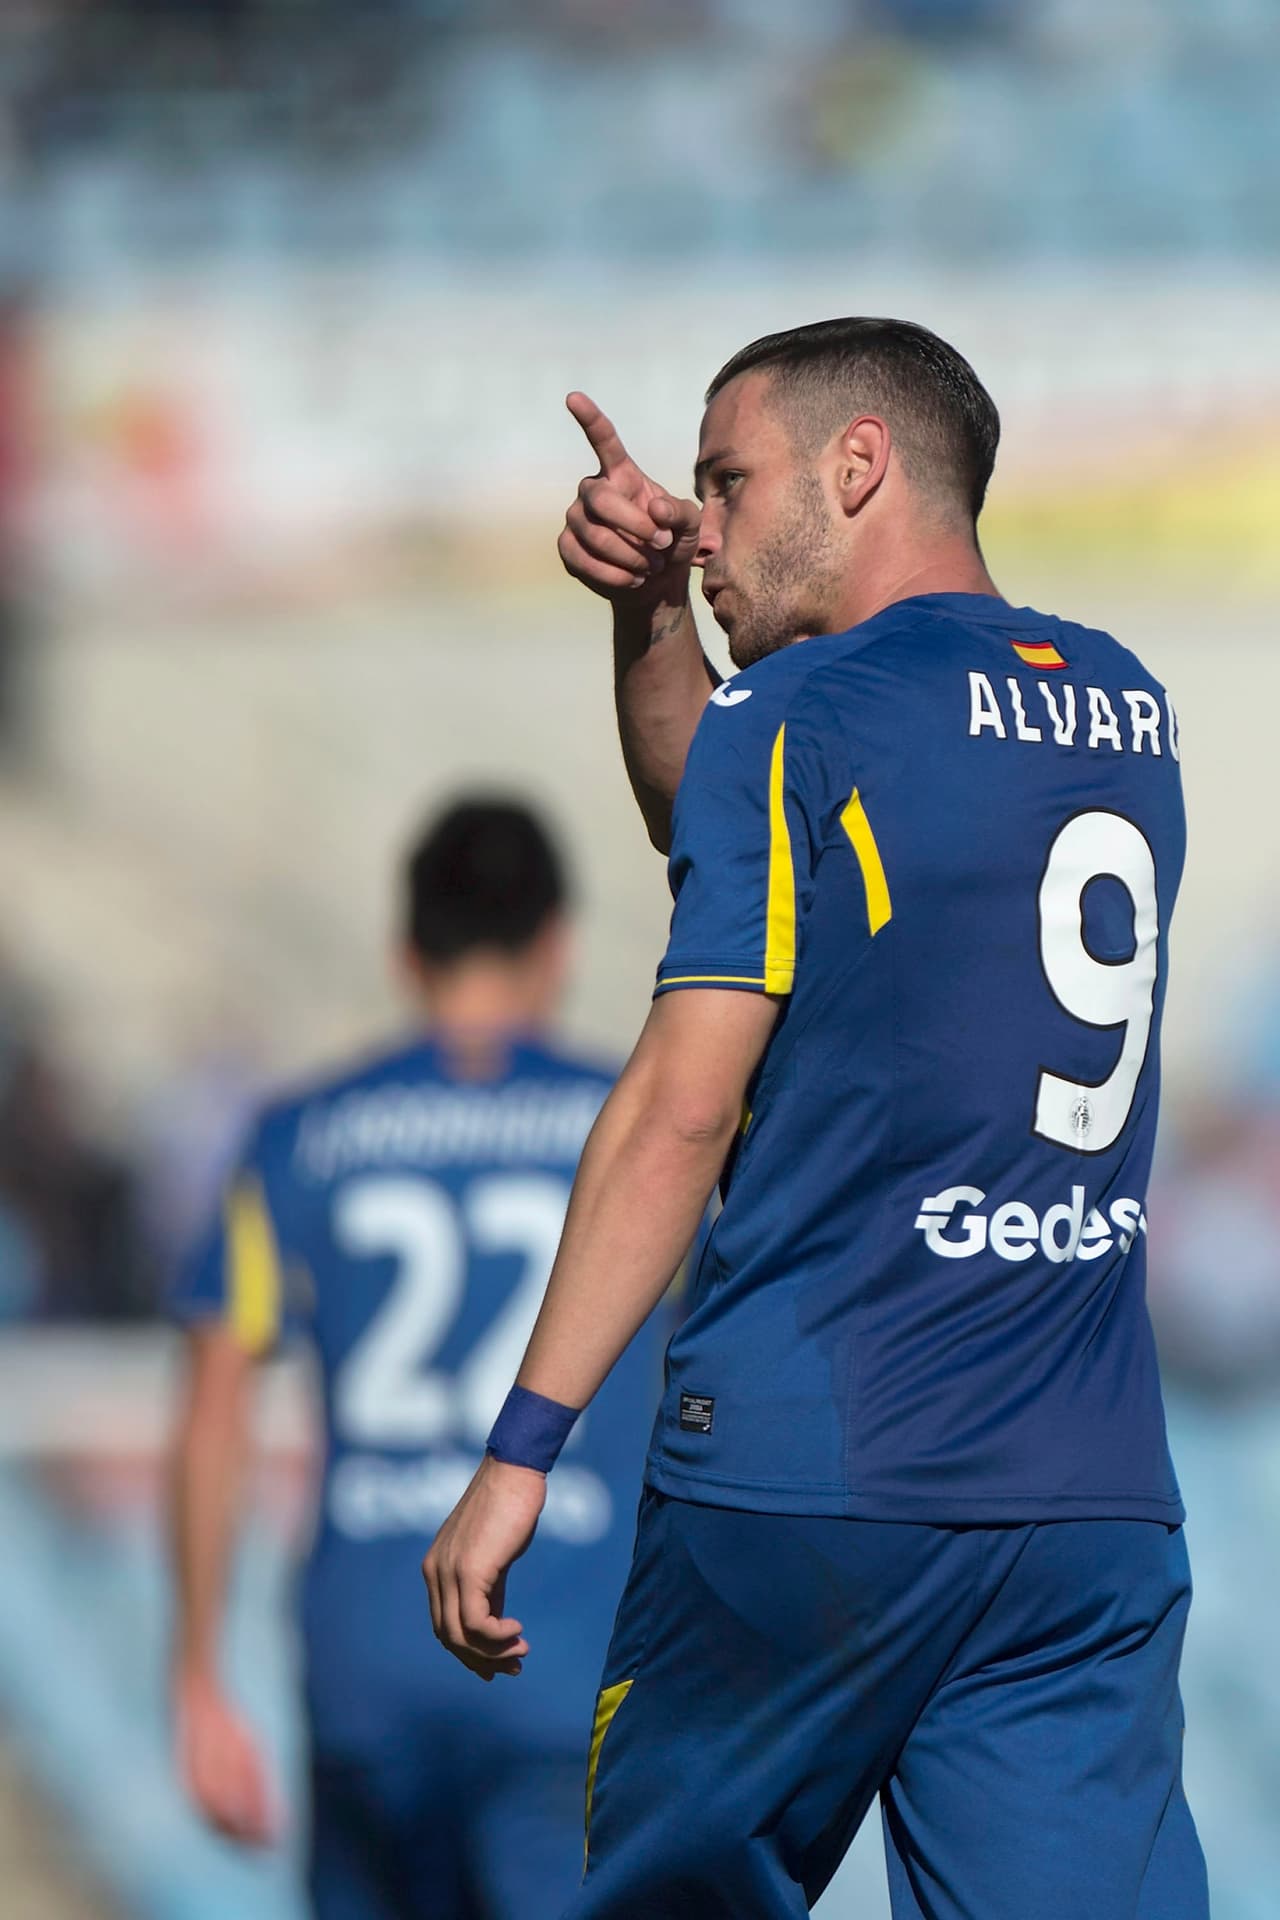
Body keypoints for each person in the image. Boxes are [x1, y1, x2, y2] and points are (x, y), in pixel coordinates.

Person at [424, 319, 1210, 1920]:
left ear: (859, 467)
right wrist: (655, 621)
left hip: (809, 1489)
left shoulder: (799, 717)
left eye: (727, 480)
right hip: (1085, 1506)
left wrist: (522, 1452)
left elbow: (677, 1111)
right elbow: (750, 853)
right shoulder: (1128, 710)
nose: (699, 526)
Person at [170, 797, 672, 1920]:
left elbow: (213, 1406)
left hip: (367, 1660)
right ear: (558, 944)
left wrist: (197, 1675)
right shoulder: (640, 1139)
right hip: (565, 1655)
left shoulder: (294, 1136)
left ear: (405, 951)